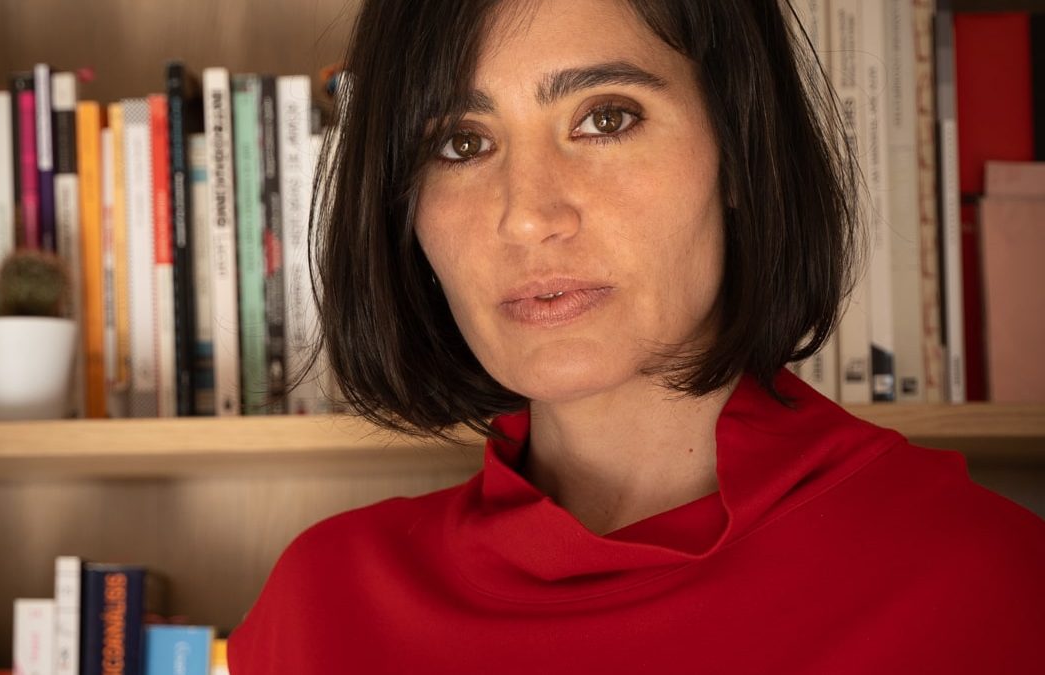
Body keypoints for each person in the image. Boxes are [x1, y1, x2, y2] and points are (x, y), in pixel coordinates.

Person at [228, 0, 1045, 671]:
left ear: (739, 148)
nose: (527, 215)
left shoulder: (990, 588)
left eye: (606, 117)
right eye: (462, 142)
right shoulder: (321, 607)